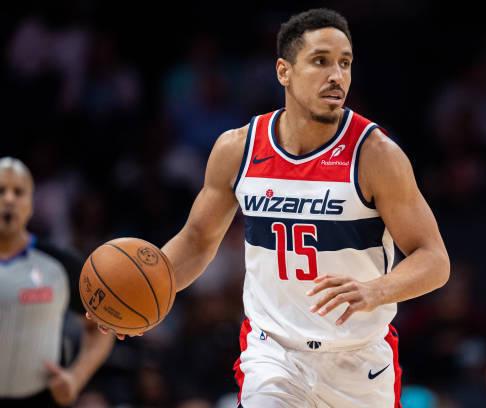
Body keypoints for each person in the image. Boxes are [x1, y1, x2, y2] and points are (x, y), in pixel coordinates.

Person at [97, 8, 450, 407]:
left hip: (359, 359)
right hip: (274, 354)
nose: (336, 75)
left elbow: (434, 259)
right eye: (321, 61)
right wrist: (140, 293)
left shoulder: (375, 154)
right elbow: (196, 241)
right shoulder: (238, 149)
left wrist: (376, 290)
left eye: (345, 63)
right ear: (284, 71)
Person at [0, 157, 114, 407]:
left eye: (18, 192)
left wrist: (76, 378)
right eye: (1, 191)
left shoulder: (60, 264)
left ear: (31, 204)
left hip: (41, 398)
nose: (9, 199)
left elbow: (102, 327)